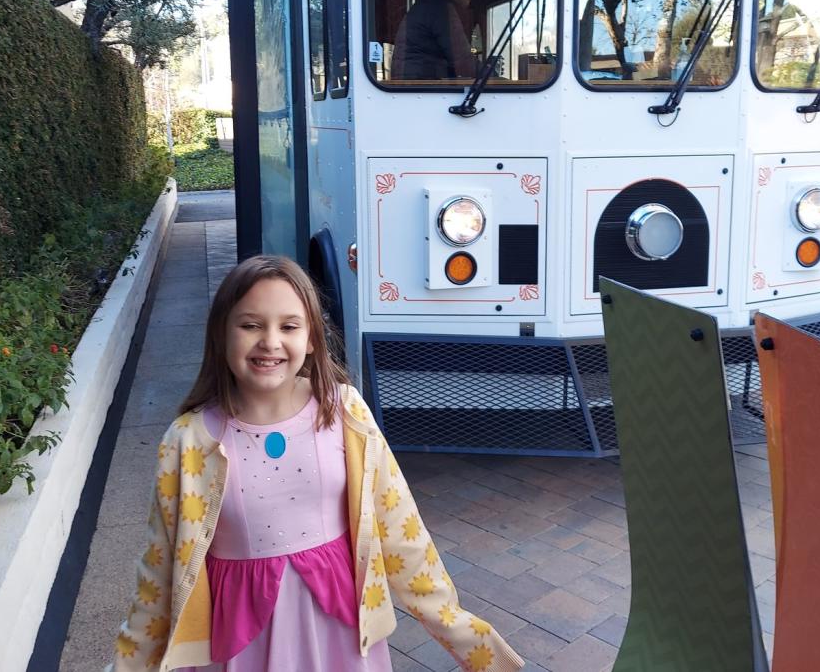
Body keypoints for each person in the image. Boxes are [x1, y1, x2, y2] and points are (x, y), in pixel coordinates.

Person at [108, 255, 525, 672]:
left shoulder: (346, 413)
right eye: (250, 324)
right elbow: (159, 570)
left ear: (311, 338)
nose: (270, 341)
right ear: (221, 333)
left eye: (288, 326)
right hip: (238, 646)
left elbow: (402, 530)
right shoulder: (189, 440)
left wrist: (468, 640)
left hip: (340, 637)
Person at [391, 0, 477, 80]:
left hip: (411, 88)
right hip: (421, 89)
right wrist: (498, 80)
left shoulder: (427, 4)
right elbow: (464, 63)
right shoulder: (440, 8)